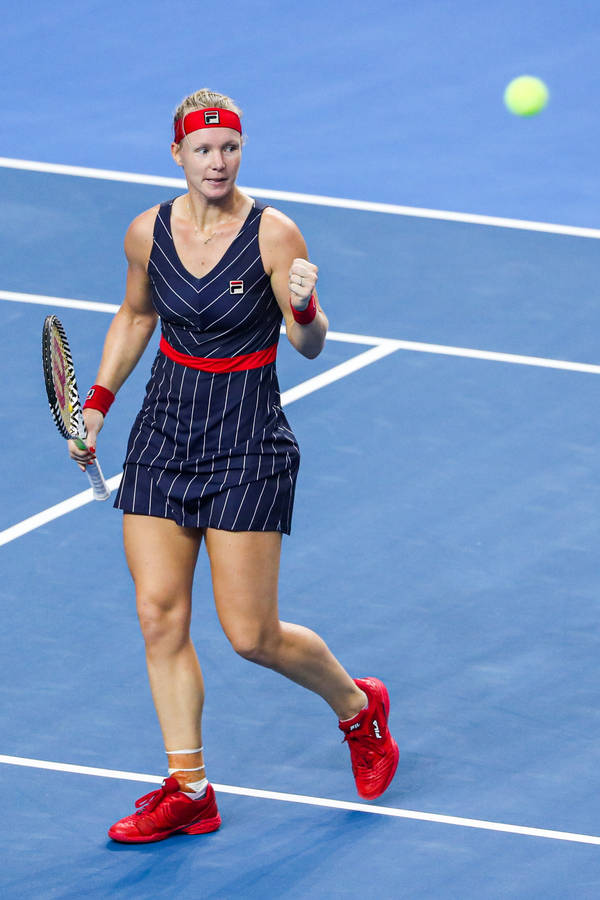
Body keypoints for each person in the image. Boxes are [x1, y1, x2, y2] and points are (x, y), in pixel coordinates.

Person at [70, 88, 398, 843]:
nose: (218, 162)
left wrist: (306, 310)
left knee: (252, 635)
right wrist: (97, 405)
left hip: (247, 443)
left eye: (230, 148)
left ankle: (359, 708)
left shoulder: (274, 234)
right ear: (178, 154)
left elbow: (307, 344)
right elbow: (137, 315)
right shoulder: (147, 232)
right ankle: (190, 791)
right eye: (203, 149)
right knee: (159, 616)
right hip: (164, 432)